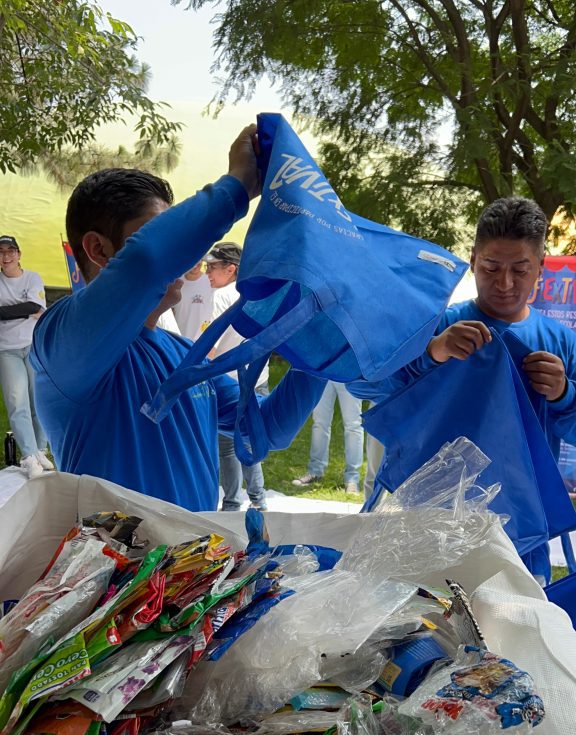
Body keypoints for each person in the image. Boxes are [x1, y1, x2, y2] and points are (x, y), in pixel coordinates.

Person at [31, 125, 326, 511]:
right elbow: (147, 262)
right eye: (163, 236)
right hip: (122, 570)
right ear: (98, 249)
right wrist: (237, 186)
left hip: (196, 568)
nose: (187, 257)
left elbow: (265, 431)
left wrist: (322, 337)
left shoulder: (188, 357)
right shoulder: (60, 343)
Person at [362, 196, 576, 582]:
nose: (505, 284)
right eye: (491, 268)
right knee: (423, 628)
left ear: (541, 267)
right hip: (428, 519)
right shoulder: (438, 326)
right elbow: (375, 391)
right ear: (473, 259)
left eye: (520, 270)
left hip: (519, 528)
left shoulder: (560, 343)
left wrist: (564, 394)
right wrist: (432, 353)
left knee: (508, 630)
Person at [205, 241, 269, 512]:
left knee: (228, 449)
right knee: (252, 444)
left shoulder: (220, 297)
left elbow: (210, 345)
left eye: (212, 267)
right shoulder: (257, 293)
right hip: (259, 378)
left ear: (231, 269)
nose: (207, 272)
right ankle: (259, 500)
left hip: (230, 382)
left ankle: (231, 504)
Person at [0, 236, 52, 479]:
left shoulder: (33, 278)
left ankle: (40, 449)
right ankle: (29, 456)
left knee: (38, 401)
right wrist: (23, 310)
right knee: (16, 401)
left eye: (10, 251)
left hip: (32, 347)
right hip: (6, 349)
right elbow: (29, 309)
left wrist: (9, 312)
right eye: (0, 252)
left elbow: (34, 307)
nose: (6, 256)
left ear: (19, 254)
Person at [293, 381, 364, 494]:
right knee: (319, 423)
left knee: (353, 426)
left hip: (349, 372)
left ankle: (352, 480)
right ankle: (315, 472)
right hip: (324, 373)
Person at [173, 260, 213, 340]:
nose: (196, 263)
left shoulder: (211, 281)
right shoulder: (175, 282)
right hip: (178, 340)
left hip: (200, 343)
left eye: (200, 259)